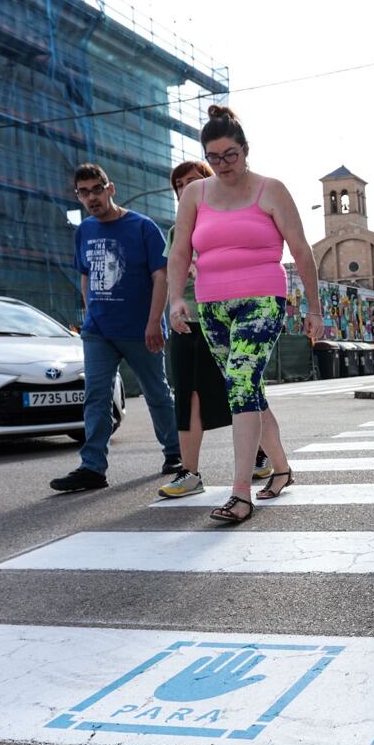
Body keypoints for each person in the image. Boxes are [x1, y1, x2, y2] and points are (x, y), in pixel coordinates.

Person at [168, 105, 322, 524]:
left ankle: (240, 493)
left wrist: (314, 306)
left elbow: (301, 250)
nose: (222, 165)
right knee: (248, 389)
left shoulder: (270, 189)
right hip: (212, 306)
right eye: (213, 158)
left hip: (263, 299)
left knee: (239, 383)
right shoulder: (196, 195)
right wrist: (175, 300)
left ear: (245, 149)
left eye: (230, 155)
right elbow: (181, 251)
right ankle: (283, 468)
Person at [51, 163, 181, 493]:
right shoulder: (84, 231)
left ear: (111, 189)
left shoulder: (142, 227)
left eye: (97, 189)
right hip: (98, 331)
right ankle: (92, 467)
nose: (92, 197)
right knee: (96, 396)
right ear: (78, 196)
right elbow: (84, 273)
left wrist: (154, 321)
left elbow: (160, 276)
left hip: (141, 329)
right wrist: (89, 310)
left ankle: (175, 454)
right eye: (84, 192)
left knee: (157, 394)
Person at [156, 160, 232, 499]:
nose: (186, 188)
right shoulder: (176, 231)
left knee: (241, 389)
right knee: (187, 396)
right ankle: (189, 473)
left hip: (228, 320)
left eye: (194, 181)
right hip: (188, 323)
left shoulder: (230, 219)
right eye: (179, 185)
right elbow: (169, 274)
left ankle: (263, 454)